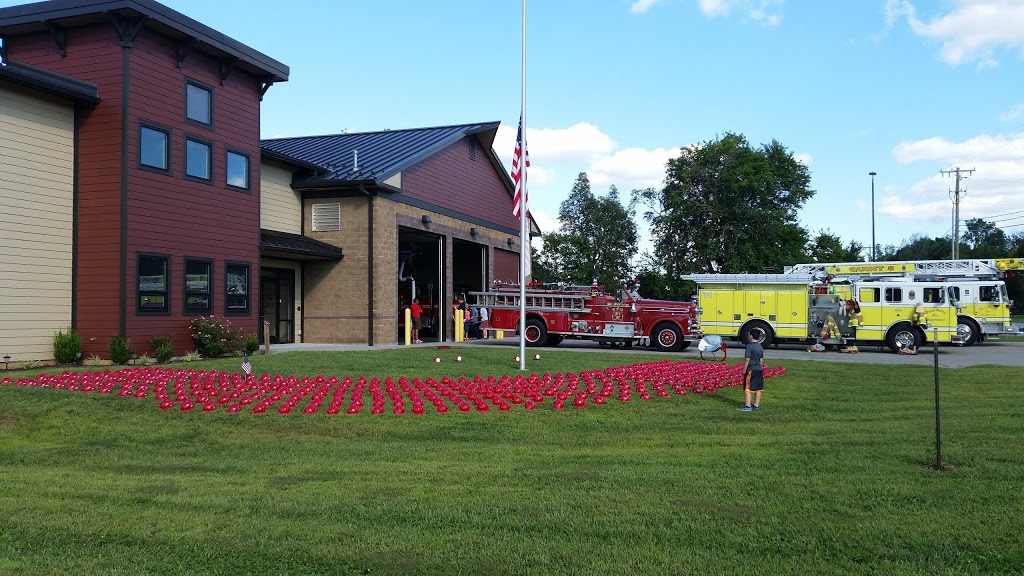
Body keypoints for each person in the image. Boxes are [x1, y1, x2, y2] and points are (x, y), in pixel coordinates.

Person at [738, 332, 766, 412]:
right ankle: (756, 405)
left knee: (747, 388)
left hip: (751, 369)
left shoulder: (749, 346)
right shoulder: (760, 346)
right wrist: (759, 366)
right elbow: (761, 359)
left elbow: (747, 359)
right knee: (758, 388)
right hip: (759, 369)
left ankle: (747, 406)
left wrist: (744, 370)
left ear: (751, 336)